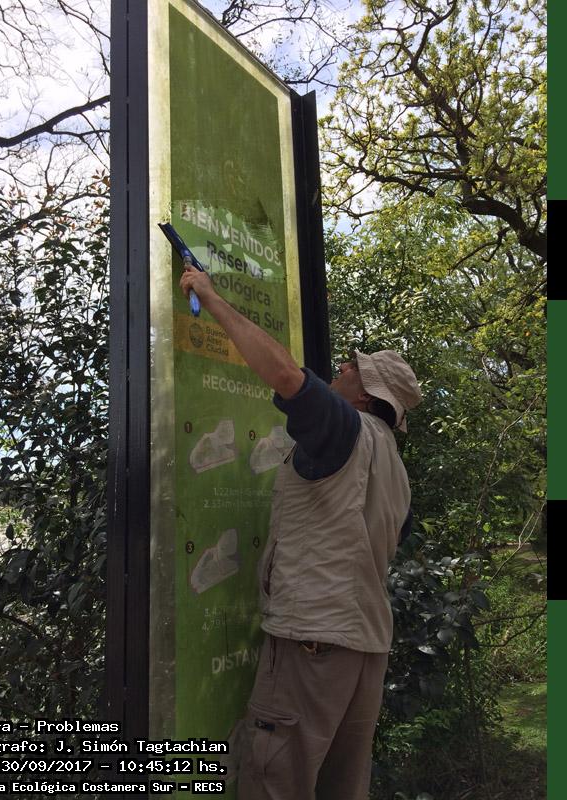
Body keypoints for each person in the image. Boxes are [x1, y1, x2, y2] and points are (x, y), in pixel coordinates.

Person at [180, 266, 422, 800]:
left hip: (313, 644)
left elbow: (287, 376)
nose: (343, 367)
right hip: (365, 649)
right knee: (342, 787)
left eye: (354, 368)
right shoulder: (396, 468)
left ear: (366, 397)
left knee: (277, 781)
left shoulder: (343, 427)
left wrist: (211, 297)